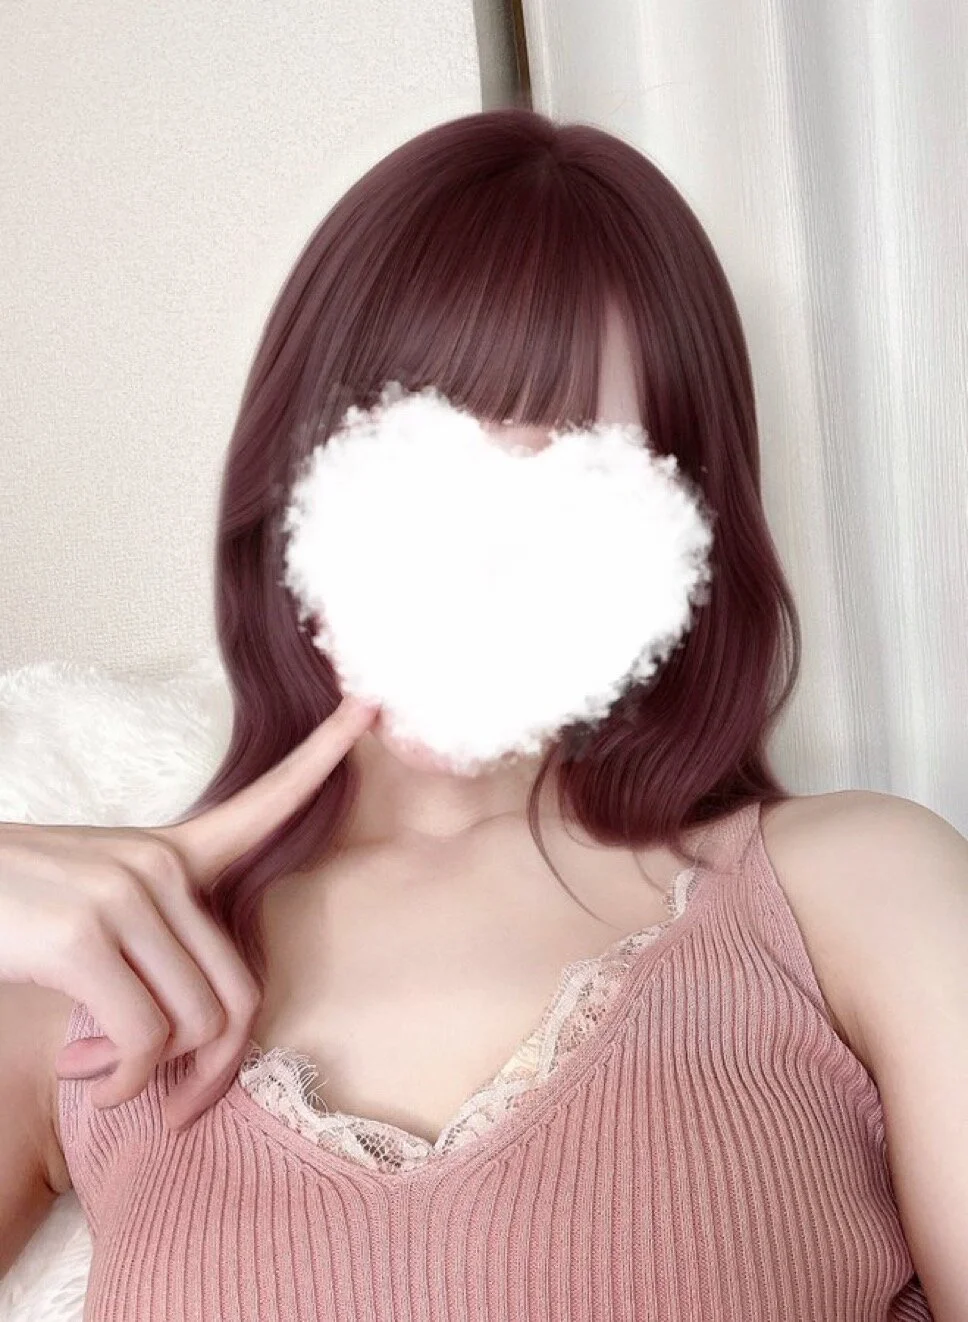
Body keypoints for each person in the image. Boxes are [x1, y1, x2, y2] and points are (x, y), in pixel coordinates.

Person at [2, 106, 965, 1319]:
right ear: (290, 484)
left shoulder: (857, 895)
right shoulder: (79, 983)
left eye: (565, 466)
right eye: (405, 447)